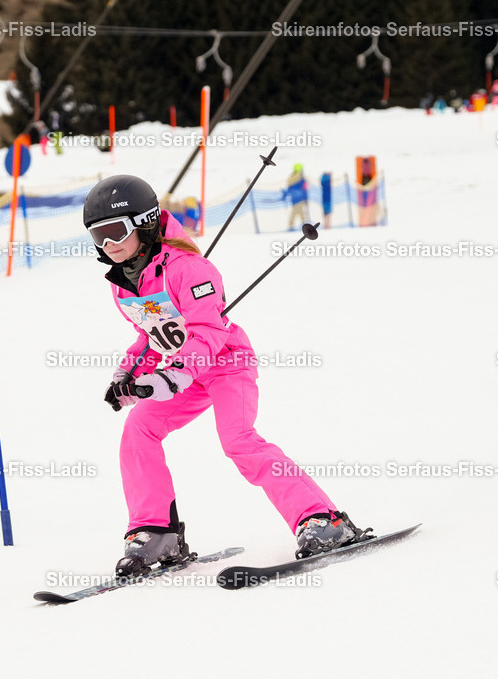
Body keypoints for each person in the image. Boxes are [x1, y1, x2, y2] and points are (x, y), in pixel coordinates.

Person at [82, 174, 371, 577]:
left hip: (227, 363)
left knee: (238, 440)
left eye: (116, 231)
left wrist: (171, 377)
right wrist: (129, 375)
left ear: (145, 223)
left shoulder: (189, 270)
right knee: (139, 428)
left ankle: (321, 519)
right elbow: (152, 335)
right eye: (98, 236)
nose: (108, 244)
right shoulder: (124, 282)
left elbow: (206, 332)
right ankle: (157, 531)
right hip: (185, 372)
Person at [282, 163, 309, 230]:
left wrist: (284, 196)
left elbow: (289, 189)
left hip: (293, 199)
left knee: (296, 213)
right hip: (300, 199)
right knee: (300, 213)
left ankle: (291, 226)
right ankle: (304, 227)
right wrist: (306, 199)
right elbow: (305, 189)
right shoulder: (302, 179)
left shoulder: (291, 178)